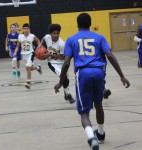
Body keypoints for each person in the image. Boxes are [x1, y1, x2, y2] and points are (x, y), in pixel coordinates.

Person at [54, 13, 130, 150]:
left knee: (84, 112)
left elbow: (66, 63)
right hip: (99, 72)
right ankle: (100, 133)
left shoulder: (72, 39)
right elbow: (110, 55)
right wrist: (122, 76)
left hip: (83, 73)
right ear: (90, 23)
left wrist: (60, 82)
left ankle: (91, 138)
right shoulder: (100, 37)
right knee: (99, 104)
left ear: (77, 24)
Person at [41, 24, 75, 104]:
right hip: (52, 63)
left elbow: (64, 57)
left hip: (62, 63)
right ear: (50, 34)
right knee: (64, 76)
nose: (56, 35)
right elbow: (43, 38)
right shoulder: (47, 37)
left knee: (65, 79)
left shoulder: (62, 44)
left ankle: (66, 94)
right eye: (54, 33)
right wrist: (40, 45)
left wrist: (50, 55)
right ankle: (68, 95)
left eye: (57, 33)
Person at [13, 23, 42, 89]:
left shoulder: (32, 36)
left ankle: (28, 83)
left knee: (27, 67)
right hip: (23, 55)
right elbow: (18, 46)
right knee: (30, 68)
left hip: (31, 53)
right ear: (23, 29)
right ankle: (38, 68)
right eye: (25, 28)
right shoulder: (20, 36)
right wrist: (15, 52)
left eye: (27, 28)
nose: (26, 30)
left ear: (29, 29)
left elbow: (37, 40)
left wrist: (39, 46)